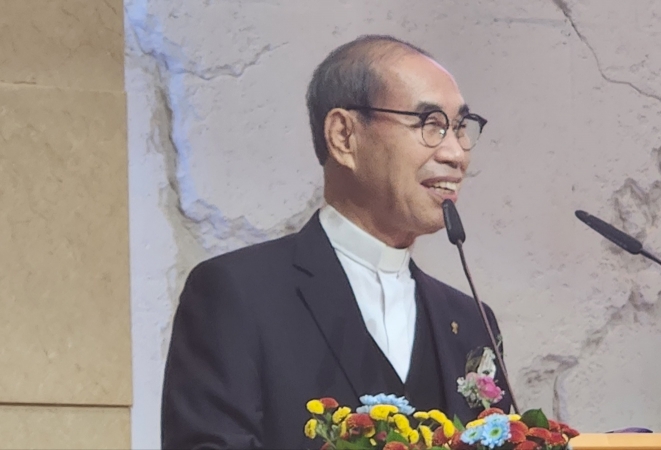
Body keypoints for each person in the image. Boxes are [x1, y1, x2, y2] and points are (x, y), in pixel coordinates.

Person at [161, 34, 511, 449]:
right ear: (344, 136)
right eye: (430, 124)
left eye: (460, 127)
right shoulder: (238, 293)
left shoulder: (471, 321)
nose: (456, 154)